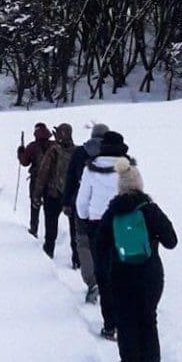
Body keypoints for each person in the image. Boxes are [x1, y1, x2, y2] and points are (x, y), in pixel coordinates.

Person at [96, 158, 178, 362]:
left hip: (121, 277)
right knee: (148, 318)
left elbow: (99, 246)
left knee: (127, 324)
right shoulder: (150, 209)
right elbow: (172, 241)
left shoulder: (112, 213)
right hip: (150, 275)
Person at [76, 130, 131, 340]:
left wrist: (85, 218)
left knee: (104, 273)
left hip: (98, 224)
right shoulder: (127, 167)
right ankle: (125, 319)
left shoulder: (91, 168)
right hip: (123, 222)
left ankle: (110, 325)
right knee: (124, 272)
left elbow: (82, 201)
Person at [63, 122, 109, 301]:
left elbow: (70, 178)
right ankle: (107, 279)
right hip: (106, 209)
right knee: (105, 245)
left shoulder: (80, 152)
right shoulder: (112, 153)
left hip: (81, 206)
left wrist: (67, 201)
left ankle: (92, 281)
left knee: (83, 244)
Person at [32, 123, 75, 258]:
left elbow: (43, 173)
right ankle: (77, 259)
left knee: (51, 227)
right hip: (72, 195)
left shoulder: (53, 150)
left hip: (52, 194)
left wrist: (37, 195)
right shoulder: (77, 151)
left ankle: (48, 253)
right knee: (75, 229)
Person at [16, 122, 53, 238]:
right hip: (51, 179)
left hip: (36, 178)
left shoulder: (32, 146)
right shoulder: (54, 145)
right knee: (50, 206)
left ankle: (34, 228)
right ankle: (50, 233)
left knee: (35, 202)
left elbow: (25, 162)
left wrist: (20, 152)